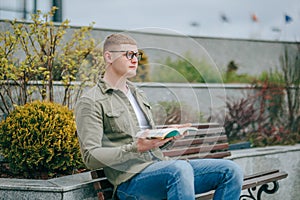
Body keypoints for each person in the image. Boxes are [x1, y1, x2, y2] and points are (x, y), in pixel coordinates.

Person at [75, 33, 243, 200]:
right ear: (109, 57)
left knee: (230, 170)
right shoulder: (91, 101)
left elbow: (148, 140)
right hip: (130, 182)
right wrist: (135, 148)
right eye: (129, 54)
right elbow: (90, 157)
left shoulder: (137, 93)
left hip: (160, 168)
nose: (135, 60)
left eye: (137, 55)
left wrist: (167, 136)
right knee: (179, 169)